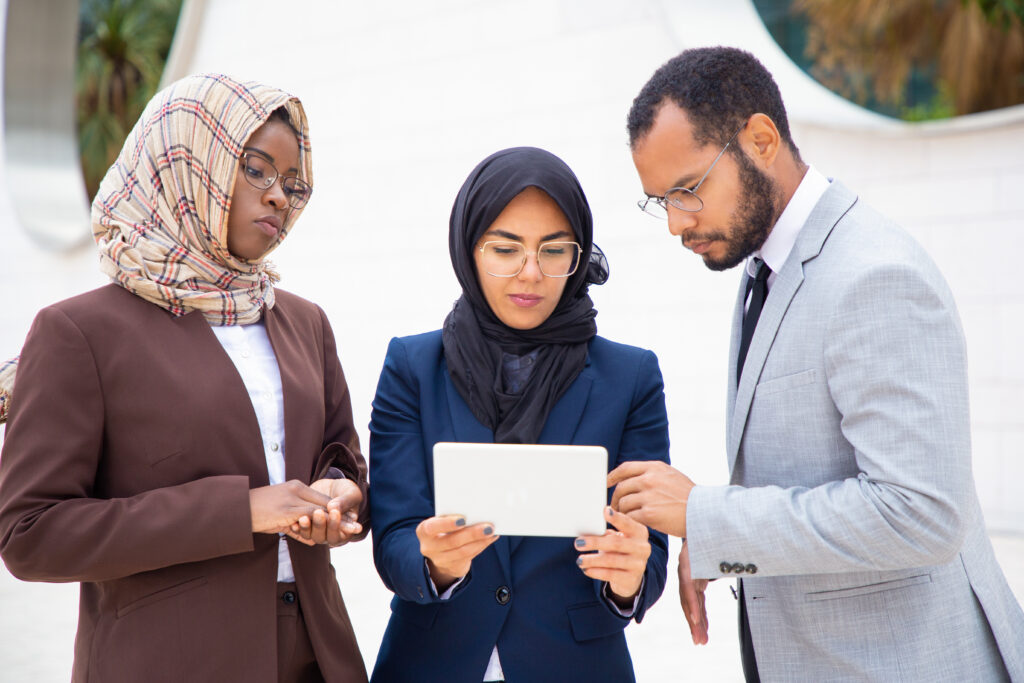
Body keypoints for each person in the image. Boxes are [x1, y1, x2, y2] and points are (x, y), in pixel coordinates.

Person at [609, 46, 1024, 682]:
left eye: (687, 190)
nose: (675, 224)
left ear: (761, 139)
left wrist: (708, 516)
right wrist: (717, 545)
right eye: (660, 201)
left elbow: (919, 512)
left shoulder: (874, 274)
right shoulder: (763, 266)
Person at [0, 74, 370, 683]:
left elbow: (342, 458)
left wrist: (341, 494)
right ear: (191, 163)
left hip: (316, 657)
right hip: (168, 660)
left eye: (292, 183)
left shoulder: (305, 323)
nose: (279, 197)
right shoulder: (80, 332)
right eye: (255, 169)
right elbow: (32, 533)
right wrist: (242, 510)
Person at [368, 147, 669, 682]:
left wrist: (628, 577)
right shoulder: (412, 366)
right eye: (505, 249)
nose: (530, 274)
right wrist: (436, 566)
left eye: (554, 251)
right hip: (431, 662)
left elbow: (650, 552)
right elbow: (393, 537)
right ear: (469, 248)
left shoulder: (632, 377)